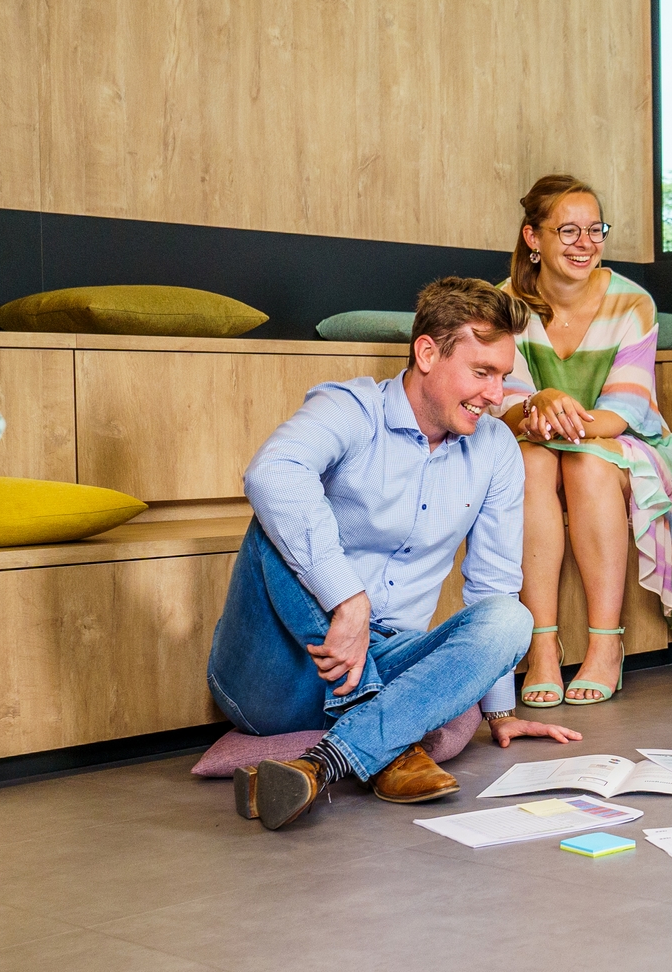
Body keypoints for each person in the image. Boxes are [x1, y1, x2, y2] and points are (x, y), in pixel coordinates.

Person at [208, 277, 582, 831]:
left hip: (386, 657)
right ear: (427, 352)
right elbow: (272, 473)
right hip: (278, 673)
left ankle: (323, 762)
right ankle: (389, 741)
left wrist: (499, 710)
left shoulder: (496, 449)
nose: (497, 395)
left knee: (512, 618)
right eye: (482, 373)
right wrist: (348, 600)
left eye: (503, 376)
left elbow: (492, 584)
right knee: (274, 522)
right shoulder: (350, 408)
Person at [498, 174, 672, 707]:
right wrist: (536, 406)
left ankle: (606, 644)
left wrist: (555, 416)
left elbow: (625, 410)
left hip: (622, 443)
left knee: (582, 463)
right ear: (532, 238)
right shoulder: (504, 304)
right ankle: (541, 647)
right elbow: (504, 400)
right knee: (533, 463)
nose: (585, 243)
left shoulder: (633, 303)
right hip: (534, 442)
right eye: (568, 231)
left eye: (595, 230)